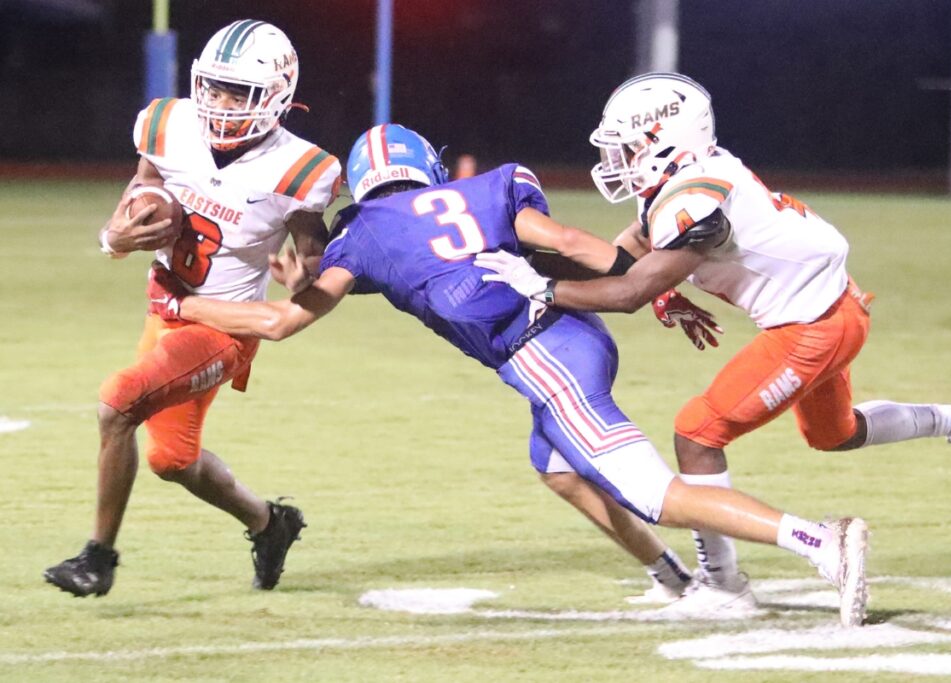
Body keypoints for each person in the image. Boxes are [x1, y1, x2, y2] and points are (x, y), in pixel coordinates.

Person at [148, 123, 871, 627]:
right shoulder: (487, 189)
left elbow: (279, 321)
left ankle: (819, 540)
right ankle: (677, 581)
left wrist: (183, 301)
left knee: (650, 488)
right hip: (577, 335)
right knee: (556, 465)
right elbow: (571, 243)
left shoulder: (364, 235)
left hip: (542, 356)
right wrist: (660, 288)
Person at [474, 72, 951, 617]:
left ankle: (723, 587)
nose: (623, 157)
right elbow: (627, 253)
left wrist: (543, 287)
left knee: (697, 433)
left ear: (667, 138)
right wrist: (548, 264)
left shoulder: (695, 199)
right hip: (834, 309)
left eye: (632, 144)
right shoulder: (684, 181)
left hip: (811, 327)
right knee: (835, 433)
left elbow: (630, 289)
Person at [44, 20, 341, 597]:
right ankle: (269, 523)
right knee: (172, 459)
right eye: (215, 87)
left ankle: (97, 558)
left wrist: (305, 267)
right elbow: (144, 184)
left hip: (222, 326)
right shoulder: (167, 123)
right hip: (165, 305)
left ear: (278, 94)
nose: (222, 104)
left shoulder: (303, 168)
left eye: (240, 93)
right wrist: (118, 233)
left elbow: (312, 251)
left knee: (117, 404)